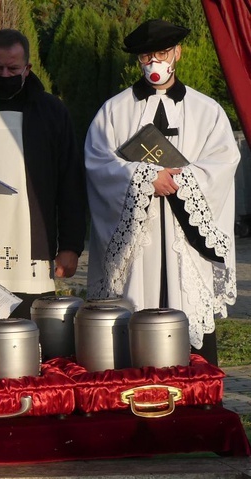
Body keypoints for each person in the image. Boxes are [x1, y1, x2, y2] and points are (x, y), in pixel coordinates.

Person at [85, 19, 239, 365]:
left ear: (177, 53)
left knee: (191, 330)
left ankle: (195, 402)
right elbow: (97, 164)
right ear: (138, 60)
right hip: (141, 244)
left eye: (163, 52)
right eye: (147, 55)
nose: (155, 61)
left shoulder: (207, 110)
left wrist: (182, 182)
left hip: (186, 243)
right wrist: (143, 178)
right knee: (135, 328)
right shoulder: (114, 111)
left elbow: (224, 162)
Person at [0, 29, 87, 318]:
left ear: (27, 68)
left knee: (28, 339)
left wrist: (70, 245)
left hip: (31, 244)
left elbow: (70, 181)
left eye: (13, 68)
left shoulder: (51, 111)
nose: (4, 75)